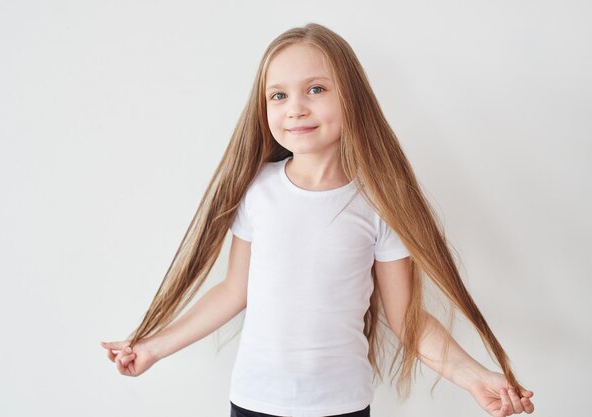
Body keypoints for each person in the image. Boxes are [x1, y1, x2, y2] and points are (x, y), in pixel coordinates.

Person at [100, 22, 535, 417]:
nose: (295, 109)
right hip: (253, 401)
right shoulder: (258, 190)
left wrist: (475, 376)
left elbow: (408, 321)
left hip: (341, 407)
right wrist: (153, 347)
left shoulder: (379, 202)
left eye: (316, 90)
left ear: (352, 96)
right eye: (279, 95)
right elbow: (234, 291)